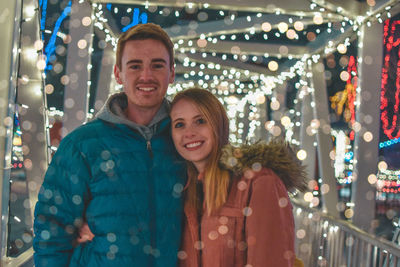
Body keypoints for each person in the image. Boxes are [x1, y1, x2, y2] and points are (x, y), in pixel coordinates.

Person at [33, 23, 186, 267]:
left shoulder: (186, 142)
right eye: (135, 66)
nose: (146, 75)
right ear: (118, 74)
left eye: (157, 65)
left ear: (171, 73)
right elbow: (52, 229)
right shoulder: (81, 145)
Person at [169, 88, 307, 267]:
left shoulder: (259, 182)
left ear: (218, 125)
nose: (189, 133)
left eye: (200, 121)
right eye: (180, 124)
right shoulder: (183, 191)